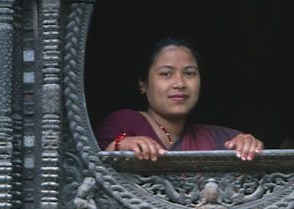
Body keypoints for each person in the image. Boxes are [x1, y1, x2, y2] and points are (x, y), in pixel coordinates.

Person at [94, 38, 263, 161]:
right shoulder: (123, 123)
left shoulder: (218, 137)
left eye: (189, 74)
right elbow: (91, 169)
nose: (180, 83)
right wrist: (119, 147)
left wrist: (247, 145)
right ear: (143, 84)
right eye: (166, 74)